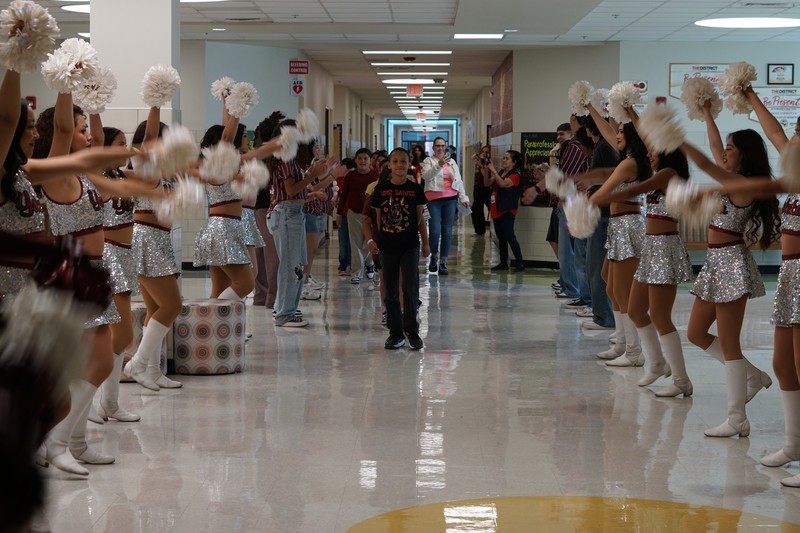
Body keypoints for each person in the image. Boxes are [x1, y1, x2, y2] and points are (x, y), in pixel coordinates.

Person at [681, 113, 780, 437]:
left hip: (731, 265)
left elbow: (707, 161)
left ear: (745, 155)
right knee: (695, 332)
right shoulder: (732, 179)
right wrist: (707, 113)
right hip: (716, 263)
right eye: (725, 147)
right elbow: (713, 147)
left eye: (731, 148)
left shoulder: (742, 185)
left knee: (729, 342)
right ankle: (752, 376)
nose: (723, 152)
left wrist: (677, 139)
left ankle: (737, 418)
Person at [604, 147, 694, 396]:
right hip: (651, 246)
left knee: (660, 315)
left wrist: (600, 196)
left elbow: (634, 189)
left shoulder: (668, 173)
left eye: (654, 150)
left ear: (667, 152)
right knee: (635, 309)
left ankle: (681, 380)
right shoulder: (659, 174)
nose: (649, 154)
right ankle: (656, 363)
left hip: (665, 247)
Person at [579, 104, 650, 368]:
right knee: (609, 283)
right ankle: (622, 342)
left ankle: (633, 351)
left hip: (629, 226)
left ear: (632, 136)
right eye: (616, 131)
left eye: (621, 131)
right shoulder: (627, 158)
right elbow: (607, 131)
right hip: (619, 226)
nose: (615, 135)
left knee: (622, 290)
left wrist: (581, 207)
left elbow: (603, 192)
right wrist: (591, 107)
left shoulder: (629, 164)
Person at [266, 120, 335, 327]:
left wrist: (312, 173)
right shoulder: (285, 157)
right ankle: (284, 314)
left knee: (296, 264)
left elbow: (299, 188)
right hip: (286, 214)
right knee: (290, 266)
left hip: (294, 214)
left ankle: (286, 308)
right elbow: (291, 190)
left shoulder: (292, 159)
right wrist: (312, 175)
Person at [365, 147, 429, 350]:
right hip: (387, 246)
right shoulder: (381, 190)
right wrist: (377, 239)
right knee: (391, 290)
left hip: (409, 245)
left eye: (403, 161)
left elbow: (419, 217)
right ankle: (395, 333)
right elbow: (377, 218)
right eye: (395, 161)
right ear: (389, 165)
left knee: (410, 288)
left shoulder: (415, 189)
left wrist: (425, 242)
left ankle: (412, 330)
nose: (399, 165)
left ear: (409, 164)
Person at [420, 136, 470, 275]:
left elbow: (458, 181)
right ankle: (434, 256)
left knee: (447, 231)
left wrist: (463, 197)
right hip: (433, 200)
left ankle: (443, 261)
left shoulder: (452, 162)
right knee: (435, 231)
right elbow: (427, 177)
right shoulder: (428, 161)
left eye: (443, 146)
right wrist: (439, 164)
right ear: (433, 148)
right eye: (438, 146)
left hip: (450, 199)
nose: (440, 148)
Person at [337, 148, 378, 284]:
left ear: (370, 160)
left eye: (365, 158)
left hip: (370, 215)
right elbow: (344, 195)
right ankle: (357, 273)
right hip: (353, 213)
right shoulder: (351, 176)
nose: (362, 161)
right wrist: (339, 213)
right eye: (359, 158)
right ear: (355, 160)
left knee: (368, 242)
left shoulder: (375, 176)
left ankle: (369, 263)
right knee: (355, 244)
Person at [486, 150, 524, 271]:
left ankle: (519, 262)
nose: (504, 160)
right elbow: (487, 183)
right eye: (503, 158)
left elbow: (502, 184)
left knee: (509, 235)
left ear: (514, 162)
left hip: (507, 210)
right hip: (497, 209)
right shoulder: (501, 172)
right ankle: (503, 262)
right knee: (501, 237)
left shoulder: (515, 175)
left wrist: (494, 171)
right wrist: (484, 169)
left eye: (507, 158)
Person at [471, 144, 492, 235]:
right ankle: (480, 230)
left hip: (484, 188)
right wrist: (478, 157)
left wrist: (480, 166)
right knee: (477, 209)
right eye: (483, 151)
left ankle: (480, 230)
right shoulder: (480, 160)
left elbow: (484, 175)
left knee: (475, 209)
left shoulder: (488, 162)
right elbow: (472, 157)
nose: (484, 153)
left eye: (486, 152)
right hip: (477, 187)